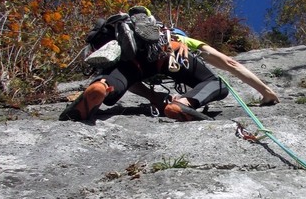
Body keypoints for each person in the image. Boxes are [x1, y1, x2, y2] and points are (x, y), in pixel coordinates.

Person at [60, 17, 228, 123]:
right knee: (216, 83)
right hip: (167, 53)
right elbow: (226, 62)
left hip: (133, 61)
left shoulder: (129, 42)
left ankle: (103, 86)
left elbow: (132, 83)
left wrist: (153, 96)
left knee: (121, 76)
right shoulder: (176, 36)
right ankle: (183, 103)